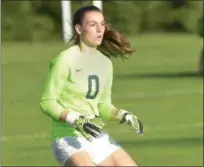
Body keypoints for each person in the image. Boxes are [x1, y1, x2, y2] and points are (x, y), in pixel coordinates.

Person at [40, 5, 143, 166]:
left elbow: (103, 106)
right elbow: (47, 102)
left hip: (95, 136)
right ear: (79, 29)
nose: (99, 29)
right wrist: (75, 119)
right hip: (68, 137)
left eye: (102, 24)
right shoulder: (65, 60)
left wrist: (122, 114)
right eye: (92, 25)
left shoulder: (105, 63)